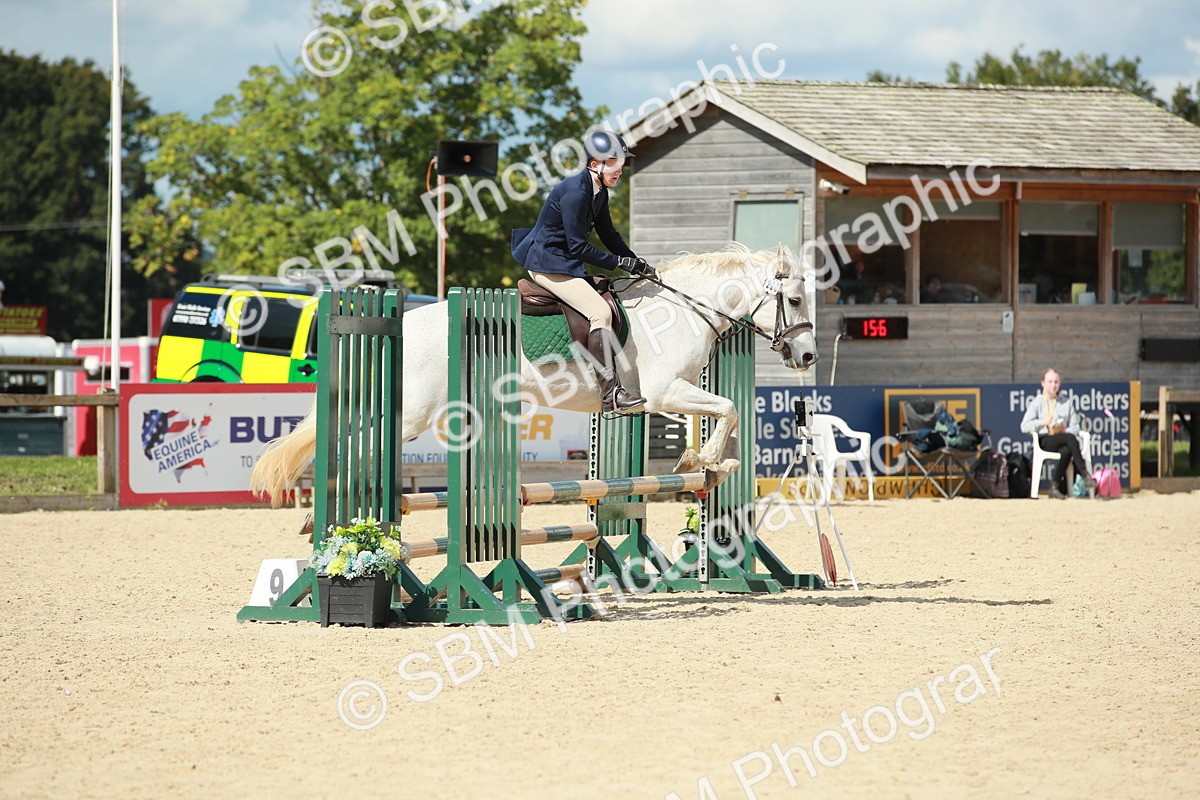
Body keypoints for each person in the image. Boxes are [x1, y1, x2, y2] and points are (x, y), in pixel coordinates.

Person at [511, 130, 654, 412]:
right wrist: (618, 263)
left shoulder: (599, 192)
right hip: (547, 265)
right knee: (599, 312)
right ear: (594, 164)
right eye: (613, 164)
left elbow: (609, 235)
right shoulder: (576, 193)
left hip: (564, 263)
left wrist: (635, 261)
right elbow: (578, 247)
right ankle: (611, 395)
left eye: (621, 164)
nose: (619, 170)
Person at [1020, 368, 1096, 499]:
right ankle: (1085, 474)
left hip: (1063, 438)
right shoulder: (1037, 402)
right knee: (1070, 440)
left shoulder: (1066, 402)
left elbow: (1076, 427)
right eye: (1050, 382)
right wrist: (1042, 422)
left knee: (1067, 449)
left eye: (1056, 382)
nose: (1053, 385)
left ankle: (1054, 487)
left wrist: (1064, 431)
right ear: (1043, 383)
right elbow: (1024, 426)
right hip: (1045, 439)